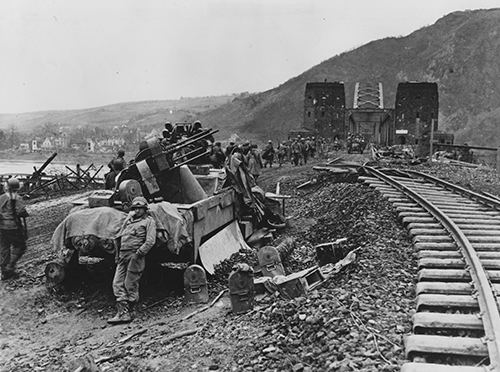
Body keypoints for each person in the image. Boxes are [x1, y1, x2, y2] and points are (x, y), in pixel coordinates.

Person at [108, 196, 156, 324]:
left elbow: (150, 241)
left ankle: (132, 311)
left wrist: (139, 253)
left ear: (145, 209)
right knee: (117, 283)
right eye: (135, 208)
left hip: (135, 256)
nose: (137, 211)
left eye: (140, 208)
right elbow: (118, 237)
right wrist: (117, 255)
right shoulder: (128, 222)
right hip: (123, 256)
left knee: (130, 284)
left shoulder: (148, 221)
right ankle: (122, 312)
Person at [0, 177, 29, 280]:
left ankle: (4, 272)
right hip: (13, 227)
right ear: (17, 187)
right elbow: (21, 212)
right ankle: (10, 267)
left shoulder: (2, 198)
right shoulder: (17, 198)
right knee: (21, 246)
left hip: (2, 228)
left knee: (4, 248)